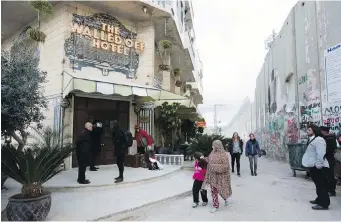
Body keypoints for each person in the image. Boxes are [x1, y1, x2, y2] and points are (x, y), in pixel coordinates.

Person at [302, 124, 330, 210]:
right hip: (314, 166)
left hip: (319, 167)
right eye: (307, 130)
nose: (307, 131)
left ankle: (324, 204)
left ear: (314, 131)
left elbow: (321, 153)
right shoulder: (312, 139)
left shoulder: (319, 140)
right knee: (318, 185)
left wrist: (318, 165)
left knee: (321, 185)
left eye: (309, 130)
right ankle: (319, 199)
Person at [203, 140, 232, 213]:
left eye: (214, 145)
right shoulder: (212, 153)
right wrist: (204, 159)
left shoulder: (223, 155)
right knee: (213, 190)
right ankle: (215, 205)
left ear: (218, 146)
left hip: (221, 176)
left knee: (222, 189)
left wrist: (214, 167)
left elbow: (226, 166)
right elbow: (210, 161)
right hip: (213, 176)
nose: (212, 146)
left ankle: (226, 199)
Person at [320, 126, 337, 197]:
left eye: (320, 131)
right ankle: (328, 189)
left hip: (329, 160)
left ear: (324, 131)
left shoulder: (330, 139)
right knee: (326, 175)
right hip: (326, 159)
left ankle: (332, 191)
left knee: (330, 176)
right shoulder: (326, 138)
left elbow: (330, 150)